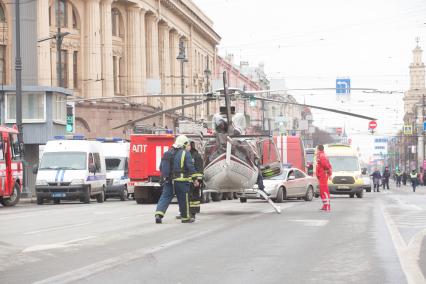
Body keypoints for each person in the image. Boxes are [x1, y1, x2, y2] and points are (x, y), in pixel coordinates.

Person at [155, 135, 201, 224]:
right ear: (184, 144)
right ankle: (185, 218)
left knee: (165, 197)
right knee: (183, 199)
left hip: (168, 181)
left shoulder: (167, 152)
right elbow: (190, 167)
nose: (188, 146)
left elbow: (161, 167)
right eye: (187, 144)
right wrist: (195, 180)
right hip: (181, 181)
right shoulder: (185, 153)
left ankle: (158, 215)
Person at [188, 141, 204, 219]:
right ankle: (195, 211)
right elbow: (201, 169)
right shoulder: (197, 155)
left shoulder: (190, 156)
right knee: (195, 195)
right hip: (196, 180)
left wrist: (196, 180)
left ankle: (192, 212)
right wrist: (199, 180)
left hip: (192, 180)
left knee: (192, 196)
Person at [315, 145, 332, 212]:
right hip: (321, 175)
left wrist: (329, 173)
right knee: (322, 191)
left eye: (316, 149)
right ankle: (325, 205)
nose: (316, 150)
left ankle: (327, 206)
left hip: (323, 176)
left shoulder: (322, 156)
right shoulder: (321, 155)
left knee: (324, 191)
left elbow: (326, 165)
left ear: (318, 149)